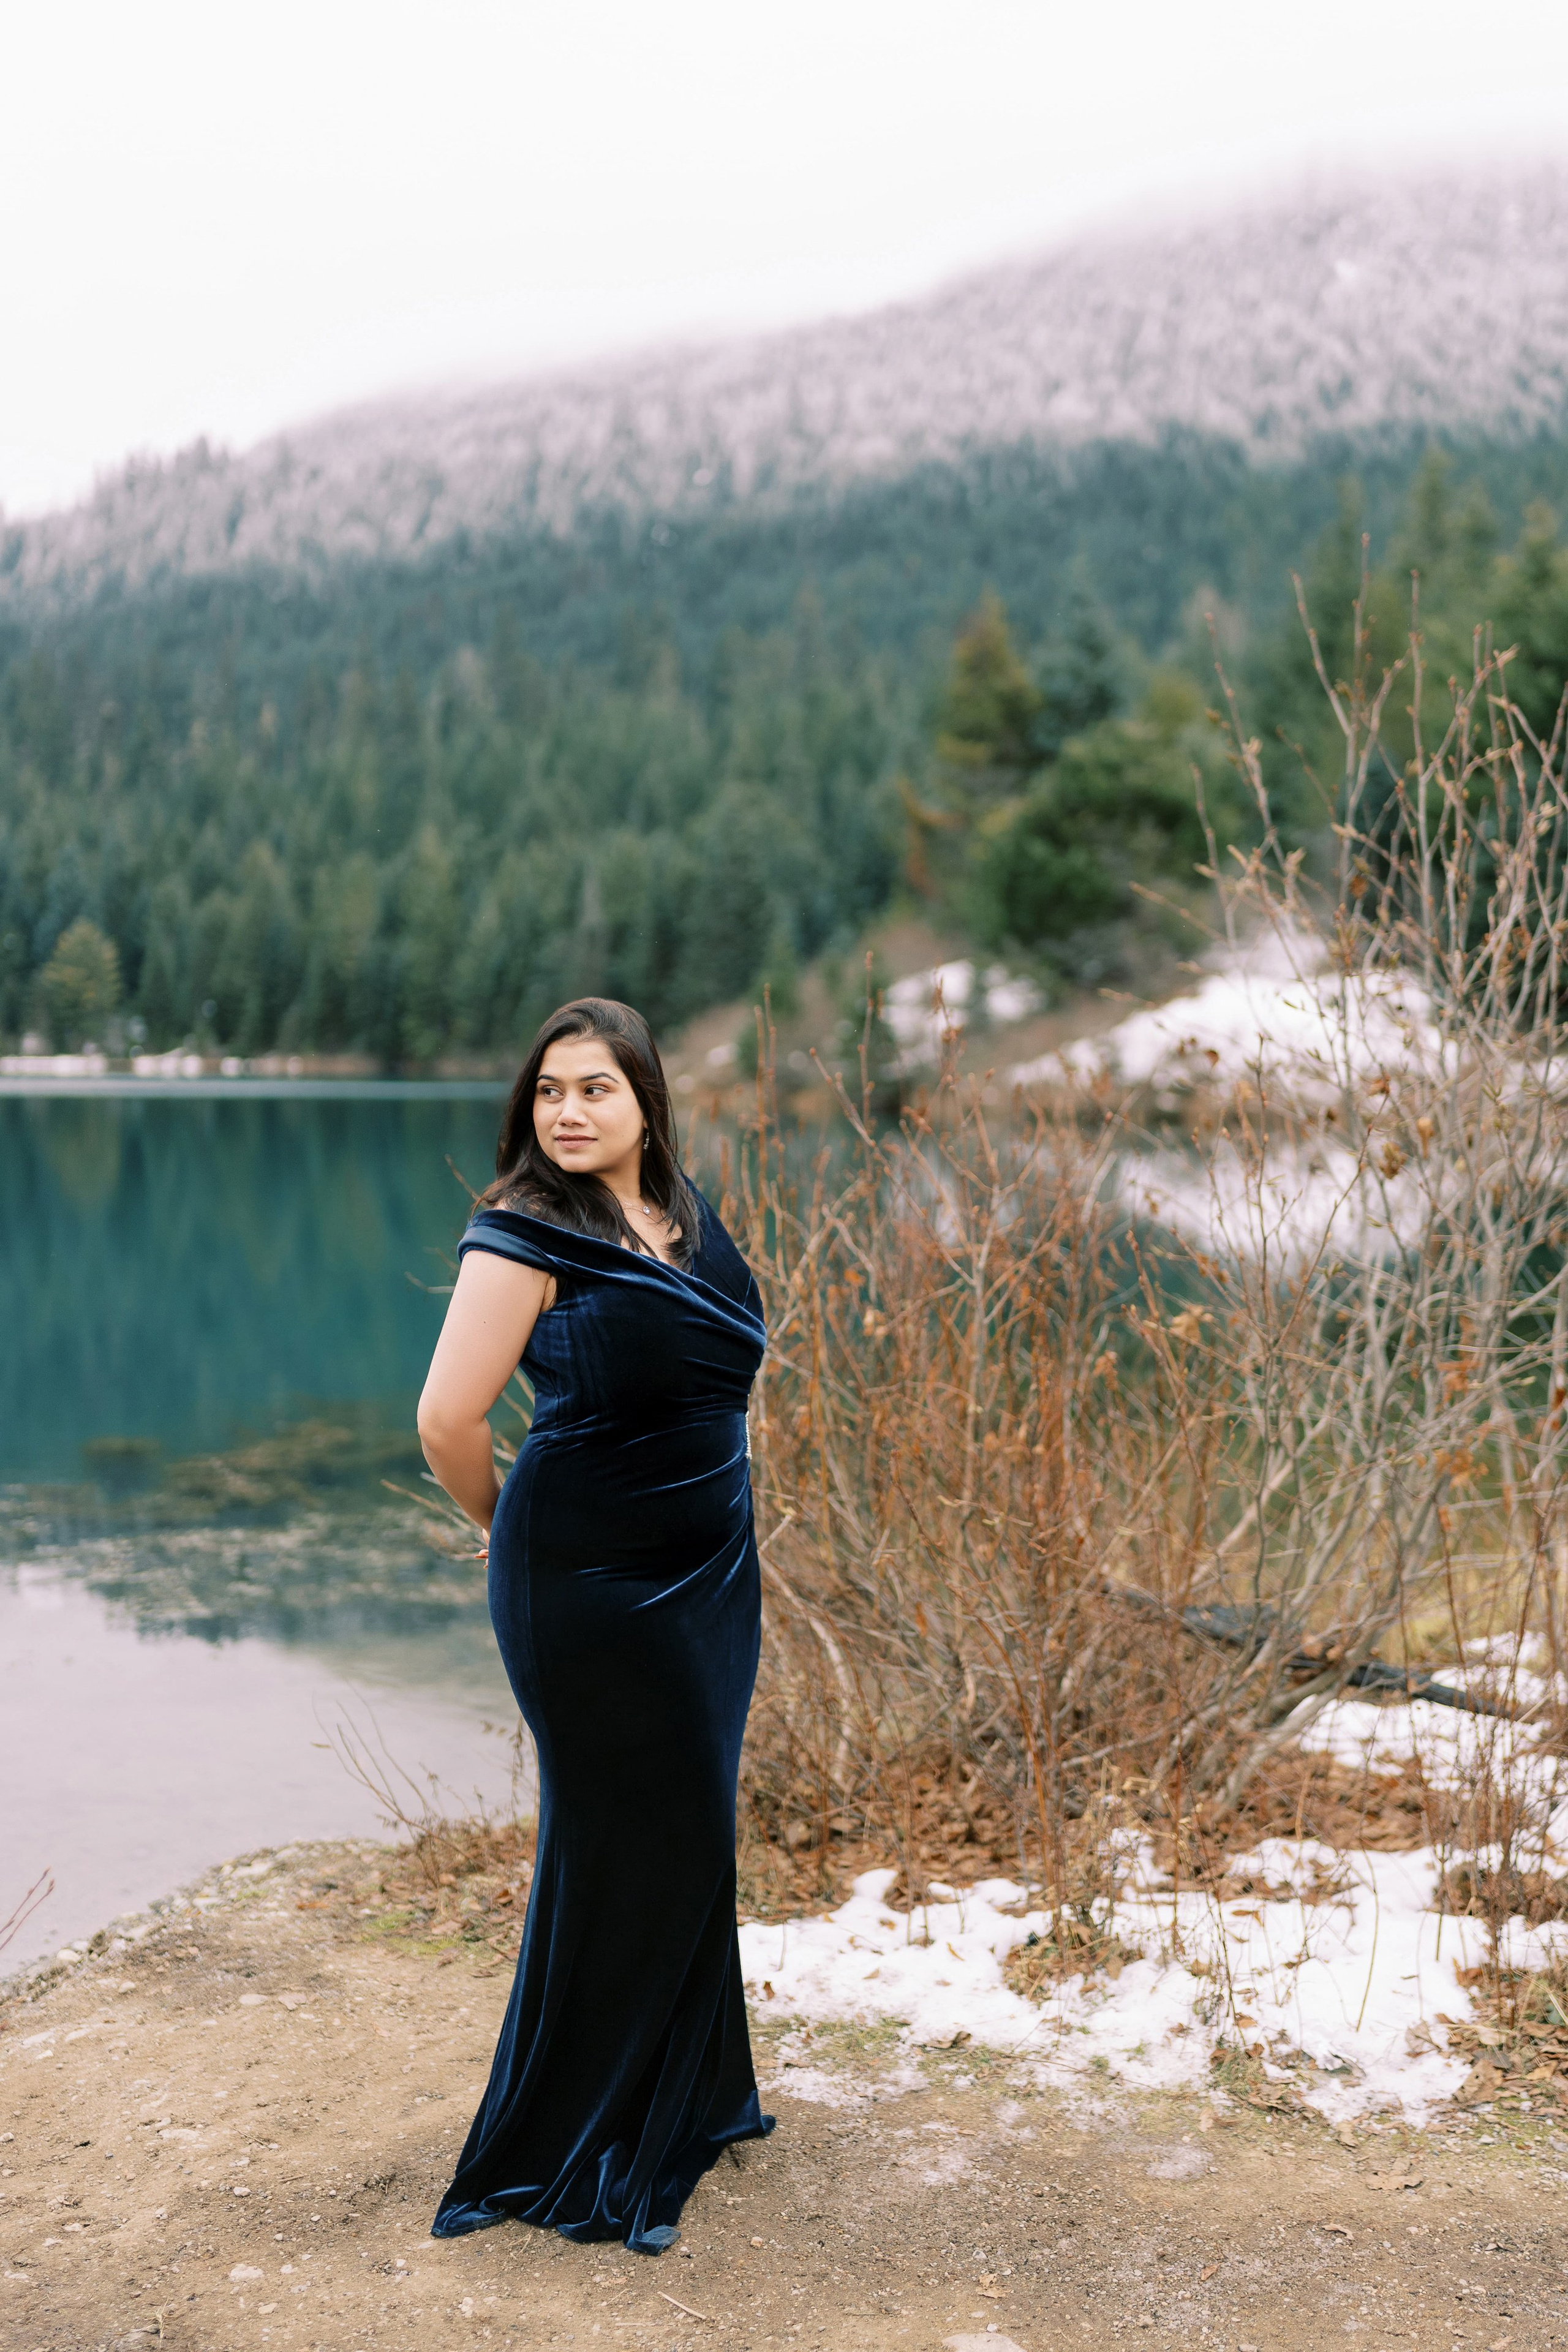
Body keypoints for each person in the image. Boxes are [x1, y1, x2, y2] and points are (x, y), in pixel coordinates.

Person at [416, 997, 774, 2253]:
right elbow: (447, 1420)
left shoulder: (683, 1215)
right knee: (621, 1832)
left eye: (592, 1091)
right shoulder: (520, 1229)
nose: (564, 1112)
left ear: (644, 1102)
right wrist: (506, 1520)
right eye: (548, 1091)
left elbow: (705, 1382)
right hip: (583, 1578)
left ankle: (688, 2091)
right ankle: (573, 2133)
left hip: (711, 1573)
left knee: (689, 1822)